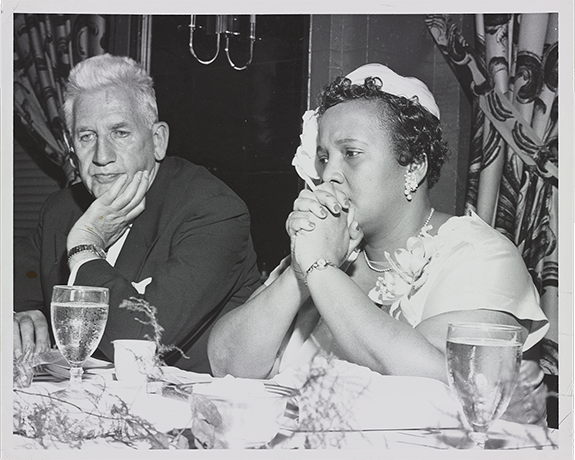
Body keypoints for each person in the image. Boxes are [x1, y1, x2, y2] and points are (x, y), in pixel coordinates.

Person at [207, 64, 549, 422]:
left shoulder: (482, 257)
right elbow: (227, 364)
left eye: (350, 153)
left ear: (414, 167)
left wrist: (320, 270)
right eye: (323, 157)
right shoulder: (326, 250)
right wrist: (299, 271)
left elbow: (436, 383)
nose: (329, 174)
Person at [13, 54, 261, 374]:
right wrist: (19, 315)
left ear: (157, 141)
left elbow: (139, 340)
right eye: (87, 136)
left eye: (120, 132)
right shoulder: (61, 209)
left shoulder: (213, 210)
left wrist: (85, 247)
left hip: (182, 411)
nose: (102, 156)